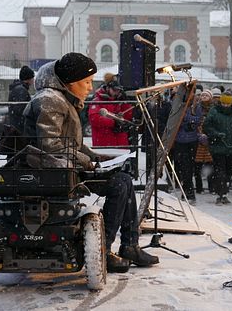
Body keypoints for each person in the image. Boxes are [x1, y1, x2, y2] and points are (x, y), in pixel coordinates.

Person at [24, 53, 158, 273]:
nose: (90, 87)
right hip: (51, 171)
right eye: (86, 82)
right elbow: (51, 147)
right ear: (69, 82)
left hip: (63, 166)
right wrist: (88, 162)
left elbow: (70, 144)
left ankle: (129, 245)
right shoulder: (51, 100)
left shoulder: (62, 98)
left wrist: (97, 157)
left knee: (123, 180)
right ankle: (104, 249)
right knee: (119, 184)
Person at [203, 90, 232, 205]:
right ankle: (220, 193)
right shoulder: (214, 112)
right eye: (224, 103)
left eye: (228, 104)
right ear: (221, 102)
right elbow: (207, 126)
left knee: (228, 172)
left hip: (231, 148)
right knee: (220, 171)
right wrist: (216, 134)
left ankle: (225, 193)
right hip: (218, 147)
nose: (226, 106)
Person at [88, 78, 133, 147]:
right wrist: (114, 123)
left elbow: (128, 116)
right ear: (108, 88)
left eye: (119, 91)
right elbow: (94, 118)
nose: (116, 93)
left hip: (120, 142)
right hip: (104, 141)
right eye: (114, 90)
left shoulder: (120, 101)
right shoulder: (97, 100)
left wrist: (126, 103)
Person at [8, 65, 35, 133]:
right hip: (19, 128)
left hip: (17, 126)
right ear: (28, 79)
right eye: (33, 78)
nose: (34, 80)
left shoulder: (19, 88)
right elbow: (20, 110)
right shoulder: (21, 90)